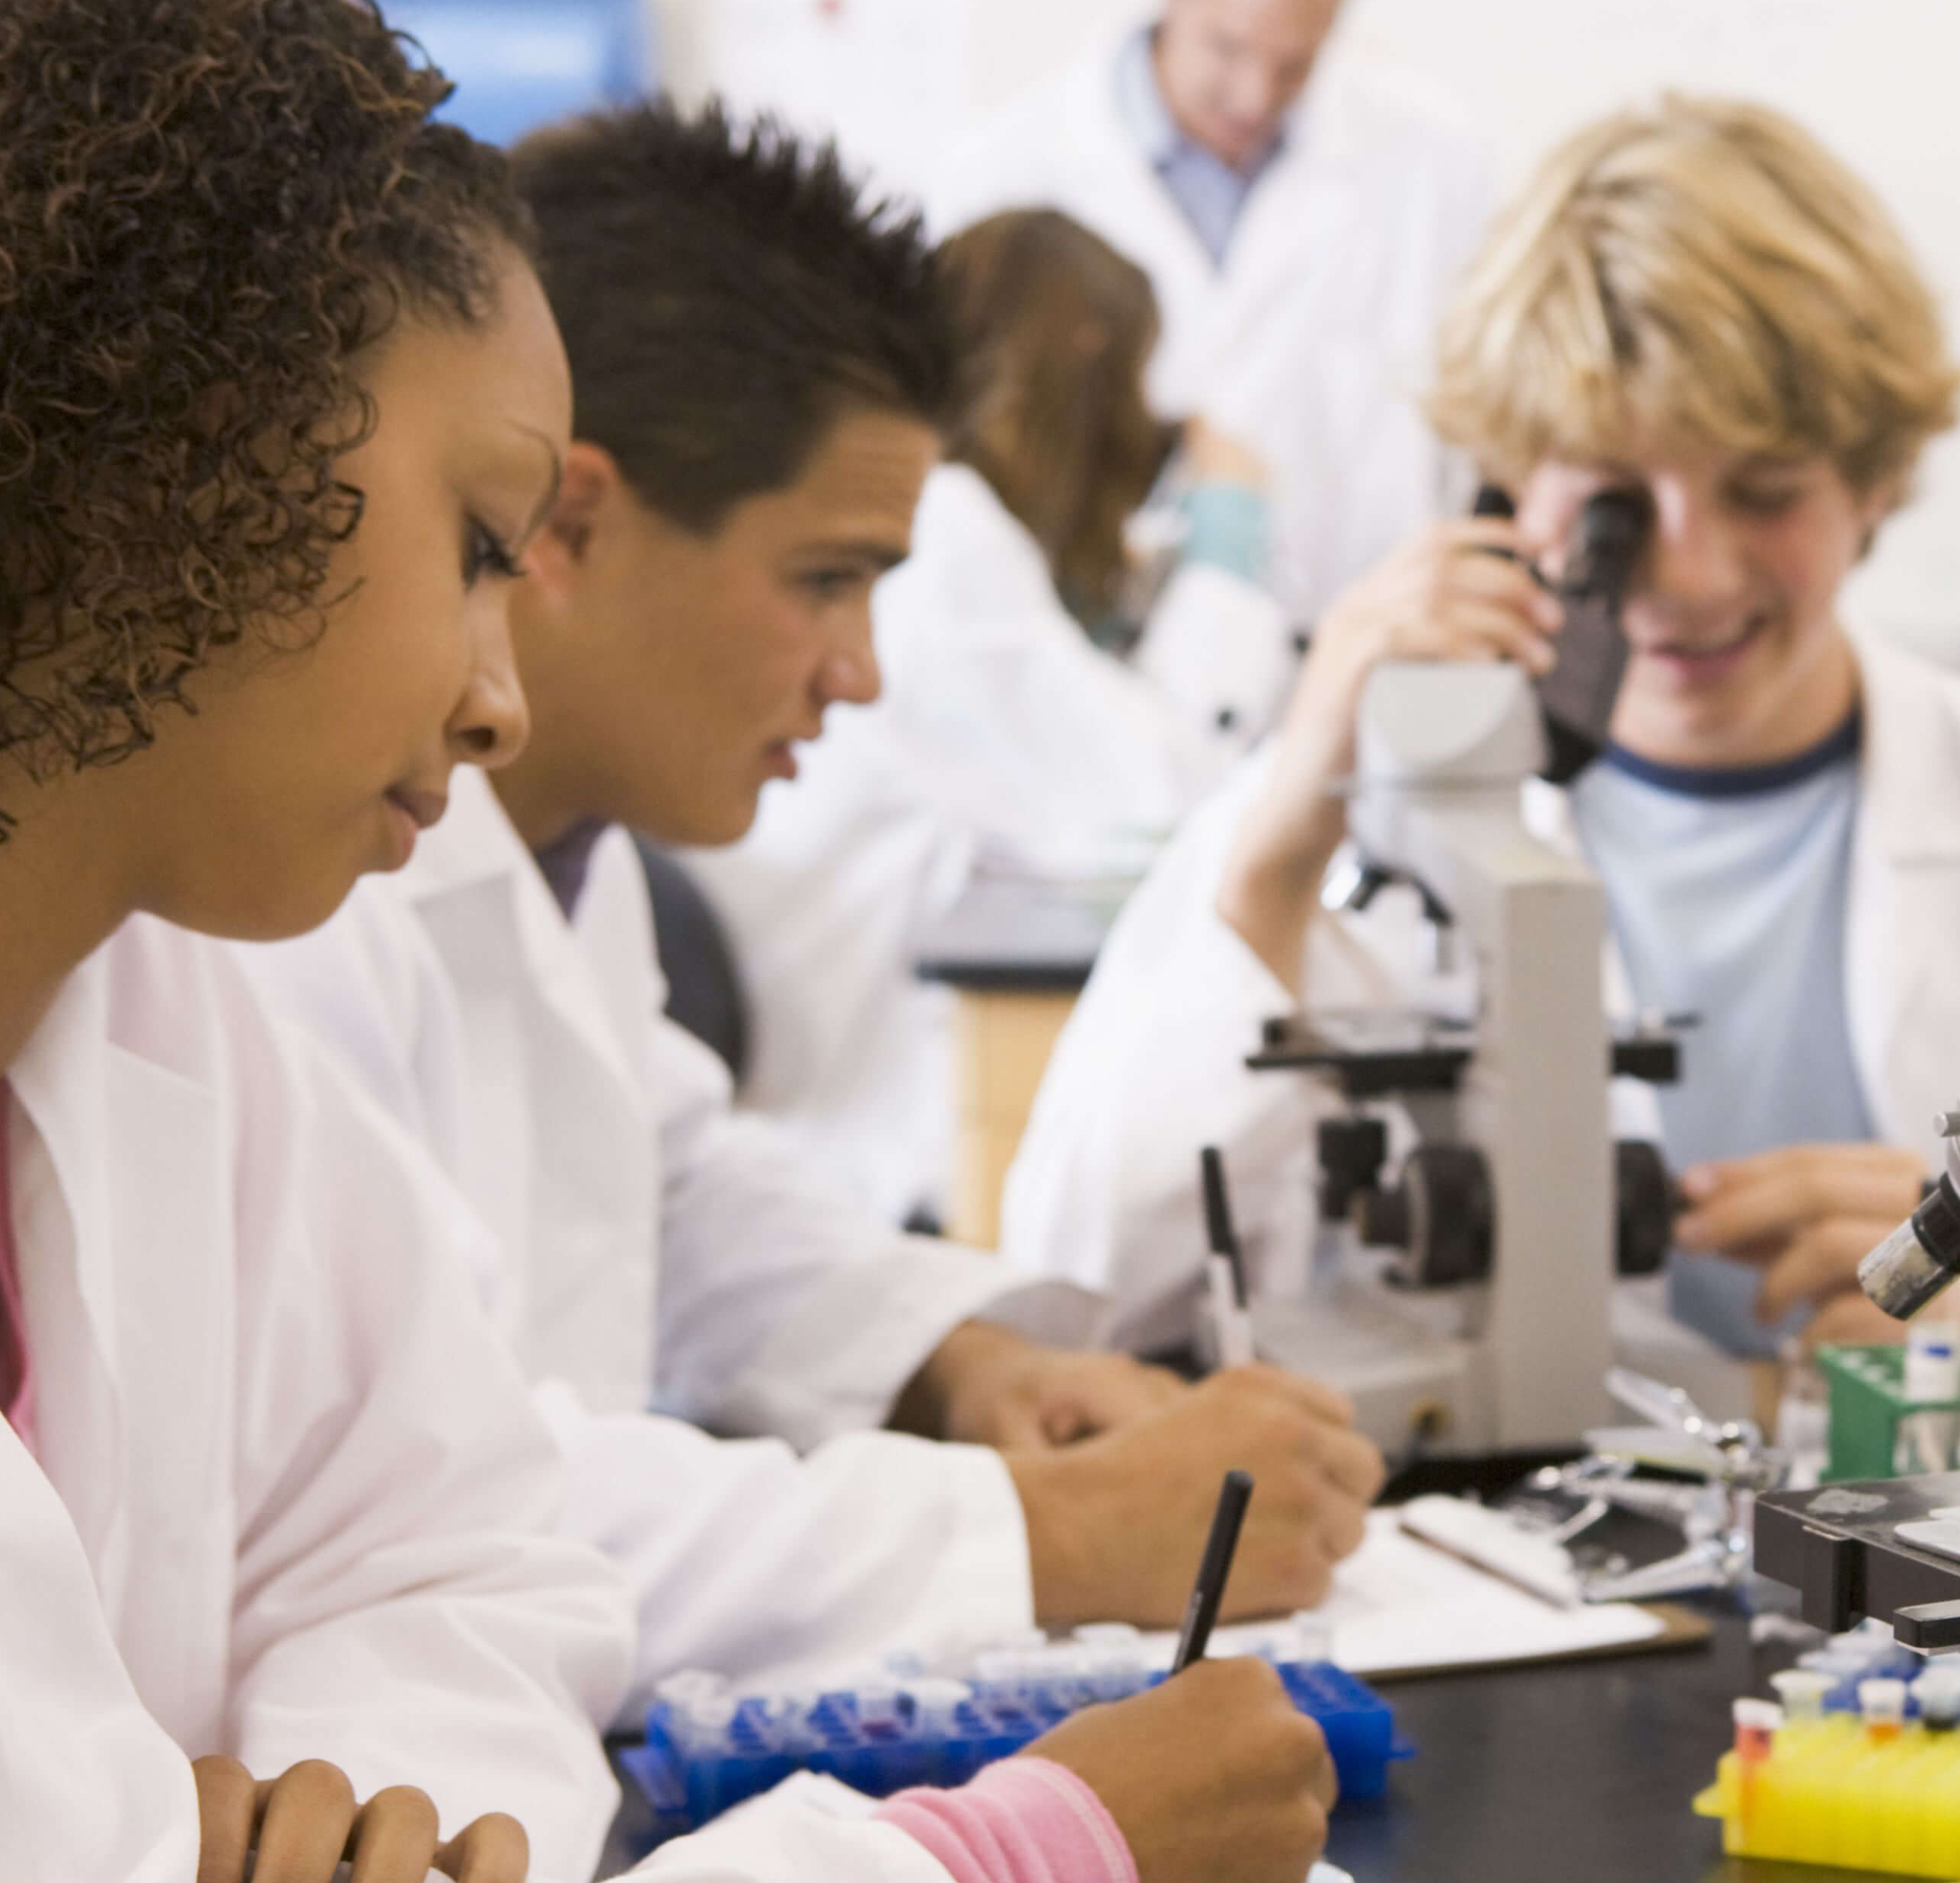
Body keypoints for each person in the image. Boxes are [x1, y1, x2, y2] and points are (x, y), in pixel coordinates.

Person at [0, 0, 1327, 1883]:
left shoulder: (150, 1002)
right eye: (481, 539)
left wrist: (373, 1822)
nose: (501, 687)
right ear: (154, 482)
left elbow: (450, 1541)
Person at [249, 102, 1383, 1703]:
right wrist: (1049, 1533)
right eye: (825, 579)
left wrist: (966, 1364)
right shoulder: (291, 907)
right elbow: (420, 1500)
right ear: (570, 523)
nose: (858, 674)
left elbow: (670, 1181)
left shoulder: (563, 849)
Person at [1003, 95, 1960, 1376]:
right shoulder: (1345, 815)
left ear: (1876, 482)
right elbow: (1080, 1295)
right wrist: (1288, 826)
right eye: (1615, 504)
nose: (1691, 574)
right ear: (1508, 488)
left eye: (1762, 492)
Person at [690, 206, 1299, 1226]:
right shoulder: (945, 539)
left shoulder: (937, 529)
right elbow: (1163, 807)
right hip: (842, 1145)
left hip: (822, 1099)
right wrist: (1228, 559)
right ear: (1084, 372)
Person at [925, 0, 1495, 622]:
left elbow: (1475, 423)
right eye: (1227, 47)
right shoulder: (1004, 171)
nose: (1254, 97)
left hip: (1365, 637)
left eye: (1295, 63)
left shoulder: (1435, 165)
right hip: (1086, 645)